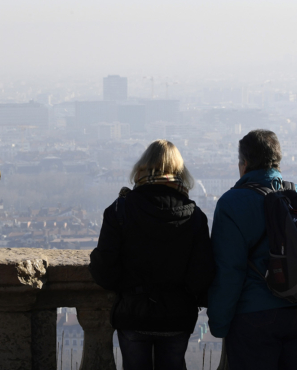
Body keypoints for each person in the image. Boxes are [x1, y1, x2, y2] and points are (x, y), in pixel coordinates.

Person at [208, 129, 297, 369]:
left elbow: (229, 271)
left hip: (254, 317)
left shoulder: (232, 204)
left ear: (245, 163)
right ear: (277, 161)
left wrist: (218, 323)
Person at [89, 139, 214, 370]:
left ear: (142, 168)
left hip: (134, 313)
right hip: (177, 316)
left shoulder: (120, 209)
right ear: (179, 172)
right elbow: (201, 276)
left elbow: (104, 269)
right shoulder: (195, 215)